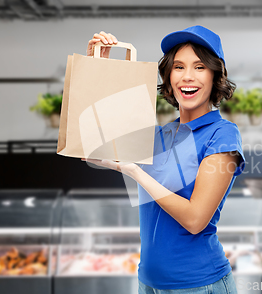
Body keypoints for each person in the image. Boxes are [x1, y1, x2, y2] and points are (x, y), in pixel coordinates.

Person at [82, 25, 246, 294]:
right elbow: (90, 144)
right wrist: (97, 64)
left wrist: (136, 172)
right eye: (179, 67)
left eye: (200, 67)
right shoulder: (159, 135)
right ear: (168, 76)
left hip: (199, 284)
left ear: (215, 75)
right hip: (148, 282)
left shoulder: (223, 134)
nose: (187, 77)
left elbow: (195, 219)